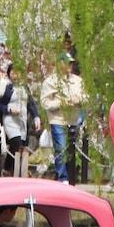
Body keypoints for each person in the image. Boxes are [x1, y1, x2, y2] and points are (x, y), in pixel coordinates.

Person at [39, 52, 86, 184]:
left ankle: (71, 175)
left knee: (72, 149)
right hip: (58, 119)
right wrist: (61, 103)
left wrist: (79, 100)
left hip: (74, 120)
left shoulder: (78, 81)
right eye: (66, 62)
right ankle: (62, 177)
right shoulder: (50, 82)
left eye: (71, 63)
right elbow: (45, 102)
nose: (69, 65)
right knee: (61, 147)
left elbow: (86, 97)